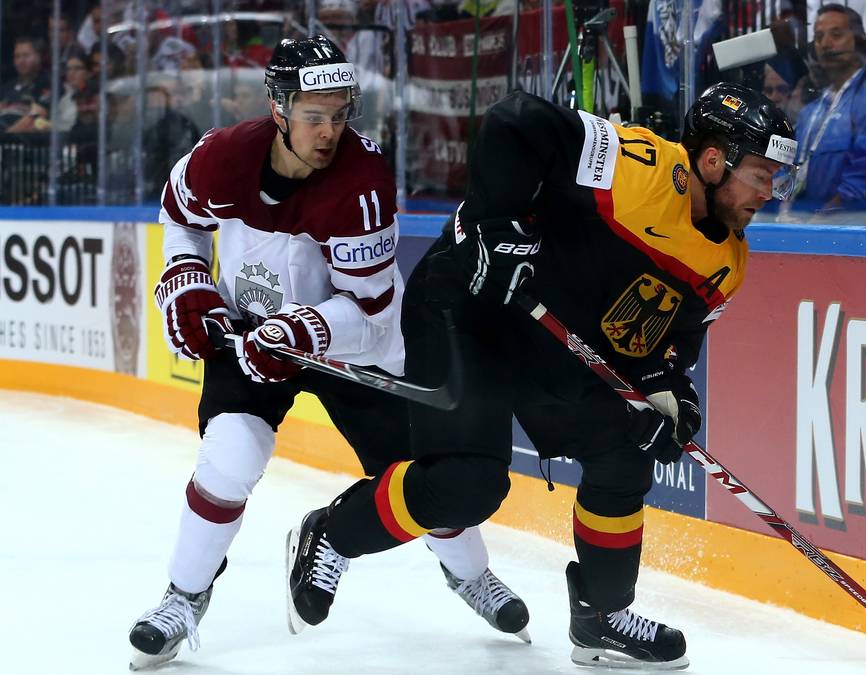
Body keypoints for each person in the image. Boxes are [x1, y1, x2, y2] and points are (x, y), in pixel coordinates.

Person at [283, 81, 798, 669]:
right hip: (466, 308)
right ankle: (332, 533)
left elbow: (666, 346)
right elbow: (514, 120)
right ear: (713, 161)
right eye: (760, 174)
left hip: (549, 346)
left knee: (625, 449)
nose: (770, 191)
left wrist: (669, 393)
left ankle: (601, 614)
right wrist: (491, 222)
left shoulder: (727, 264)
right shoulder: (639, 165)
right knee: (467, 485)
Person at [126, 34, 529, 671]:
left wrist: (299, 333)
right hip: (250, 331)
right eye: (314, 115)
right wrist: (185, 280)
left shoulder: (362, 183)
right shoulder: (221, 156)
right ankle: (182, 598)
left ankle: (470, 576)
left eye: (340, 114)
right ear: (279, 107)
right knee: (230, 456)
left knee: (417, 472)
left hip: (344, 343)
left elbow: (370, 314)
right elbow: (180, 215)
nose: (329, 131)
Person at [791, 4, 866, 211]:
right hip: (808, 224)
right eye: (818, 37)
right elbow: (790, 166)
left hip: (855, 230)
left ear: (859, 41)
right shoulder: (813, 108)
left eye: (836, 35)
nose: (825, 44)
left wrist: (819, 222)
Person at [1, 37, 52, 133]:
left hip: (22, 141)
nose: (21, 61)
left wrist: (5, 137)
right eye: (17, 56)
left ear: (38, 57)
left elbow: (35, 117)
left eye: (26, 56)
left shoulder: (47, 82)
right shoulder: (7, 86)